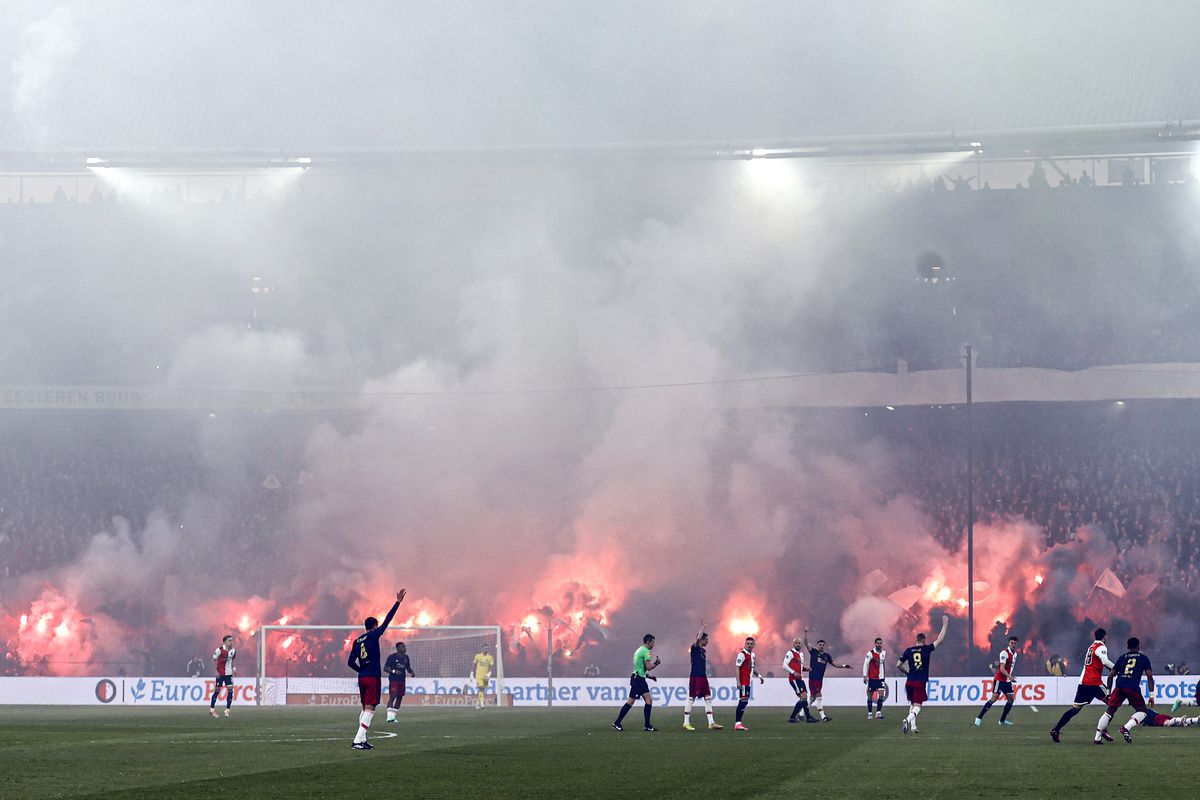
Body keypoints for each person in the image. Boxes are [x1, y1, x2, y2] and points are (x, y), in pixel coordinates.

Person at [346, 590, 406, 750]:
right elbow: (388, 620)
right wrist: (397, 603)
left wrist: (361, 669)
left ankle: (362, 739)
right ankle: (357, 740)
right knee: (370, 708)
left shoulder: (357, 641)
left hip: (362, 676)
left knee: (365, 707)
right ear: (374, 626)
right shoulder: (374, 635)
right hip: (372, 676)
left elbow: (350, 662)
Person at [1050, 627, 1115, 743]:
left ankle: (1056, 729)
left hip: (1083, 682)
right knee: (1113, 704)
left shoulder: (1091, 647)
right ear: (1104, 637)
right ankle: (1103, 730)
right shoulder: (1101, 647)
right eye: (1106, 636)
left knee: (1075, 709)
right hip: (1094, 683)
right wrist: (1116, 669)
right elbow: (1105, 661)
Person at [1096, 636, 1154, 744]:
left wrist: (1108, 693)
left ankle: (1097, 738)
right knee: (1142, 711)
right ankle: (1126, 728)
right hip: (1132, 687)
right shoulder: (1143, 658)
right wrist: (1151, 696)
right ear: (1138, 646)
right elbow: (1149, 677)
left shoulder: (1122, 657)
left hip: (1119, 685)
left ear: (1127, 646)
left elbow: (1110, 676)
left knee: (1110, 711)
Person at [897, 615, 949, 735]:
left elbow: (898, 664)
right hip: (920, 681)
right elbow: (940, 639)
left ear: (916, 640)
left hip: (909, 681)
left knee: (912, 703)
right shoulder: (926, 649)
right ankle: (907, 720)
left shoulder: (908, 650)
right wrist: (945, 625)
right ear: (924, 640)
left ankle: (913, 727)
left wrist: (907, 673)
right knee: (918, 706)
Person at [613, 634, 660, 732]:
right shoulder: (646, 651)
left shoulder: (639, 650)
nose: (653, 645)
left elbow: (639, 668)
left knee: (647, 700)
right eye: (652, 642)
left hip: (638, 678)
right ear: (648, 642)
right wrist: (656, 663)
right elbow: (648, 667)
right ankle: (617, 722)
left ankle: (647, 725)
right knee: (632, 701)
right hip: (638, 680)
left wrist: (649, 677)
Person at [804, 629, 853, 722]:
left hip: (820, 679)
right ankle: (823, 717)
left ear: (824, 646)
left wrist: (844, 666)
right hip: (813, 678)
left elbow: (834, 664)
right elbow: (806, 643)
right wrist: (805, 633)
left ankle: (802, 714)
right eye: (820, 645)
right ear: (817, 646)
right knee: (819, 696)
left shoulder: (827, 656)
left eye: (823, 645)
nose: (821, 646)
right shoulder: (813, 652)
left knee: (812, 697)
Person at [683, 620, 722, 731]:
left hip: (703, 677)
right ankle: (686, 722)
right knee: (691, 698)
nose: (708, 642)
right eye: (707, 640)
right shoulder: (695, 648)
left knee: (708, 698)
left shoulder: (703, 651)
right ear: (702, 640)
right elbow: (698, 638)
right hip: (696, 677)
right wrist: (704, 626)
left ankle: (711, 723)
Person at [976, 635, 1020, 726]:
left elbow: (1009, 668)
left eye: (1015, 643)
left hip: (1007, 681)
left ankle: (1002, 721)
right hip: (999, 680)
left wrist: (1010, 677)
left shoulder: (1015, 654)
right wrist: (1010, 676)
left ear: (1017, 644)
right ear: (1009, 643)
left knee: (1011, 700)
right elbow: (1001, 669)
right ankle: (979, 718)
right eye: (1012, 643)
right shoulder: (1004, 653)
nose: (1013, 645)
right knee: (994, 699)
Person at [734, 636, 765, 731]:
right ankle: (738, 723)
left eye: (751, 644)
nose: (749, 645)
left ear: (754, 645)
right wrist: (738, 682)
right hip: (743, 681)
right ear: (745, 644)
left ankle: (738, 723)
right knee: (743, 701)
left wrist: (759, 676)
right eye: (748, 643)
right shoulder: (741, 655)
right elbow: (737, 668)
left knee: (745, 701)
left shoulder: (752, 655)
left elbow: (753, 668)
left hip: (748, 681)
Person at [783, 636, 814, 723]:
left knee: (803, 698)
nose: (798, 644)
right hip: (794, 679)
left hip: (800, 679)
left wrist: (806, 669)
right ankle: (808, 717)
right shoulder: (790, 653)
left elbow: (799, 667)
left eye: (799, 643)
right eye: (796, 643)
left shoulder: (800, 654)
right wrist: (793, 672)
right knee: (804, 696)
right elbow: (784, 665)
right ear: (793, 644)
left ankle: (792, 717)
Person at [384, 642, 415, 723]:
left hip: (402, 680)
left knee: (399, 698)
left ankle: (393, 717)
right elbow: (385, 668)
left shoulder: (406, 657)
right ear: (398, 648)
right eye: (403, 647)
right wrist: (394, 671)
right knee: (392, 697)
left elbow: (407, 667)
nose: (405, 648)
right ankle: (389, 717)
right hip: (394, 680)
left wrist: (411, 672)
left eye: (405, 647)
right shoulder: (392, 657)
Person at [209, 635, 235, 718]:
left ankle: (227, 710)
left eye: (231, 640)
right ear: (224, 642)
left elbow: (231, 660)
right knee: (217, 692)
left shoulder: (233, 650)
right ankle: (212, 710)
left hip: (229, 674)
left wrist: (233, 670)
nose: (231, 642)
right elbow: (213, 659)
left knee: (230, 691)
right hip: (220, 674)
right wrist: (215, 671)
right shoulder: (219, 650)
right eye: (229, 641)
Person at [864, 637, 887, 719]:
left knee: (881, 695)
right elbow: (865, 664)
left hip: (881, 678)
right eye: (878, 643)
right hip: (872, 678)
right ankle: (870, 713)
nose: (879, 645)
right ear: (875, 644)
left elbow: (882, 665)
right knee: (870, 696)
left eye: (881, 643)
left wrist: (884, 675)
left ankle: (878, 713)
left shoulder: (884, 653)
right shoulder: (870, 653)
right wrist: (865, 675)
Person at [472, 644, 495, 709]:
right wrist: (471, 673)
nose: (486, 649)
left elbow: (491, 666)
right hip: (478, 675)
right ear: (482, 649)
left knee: (482, 690)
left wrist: (489, 673)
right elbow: (474, 664)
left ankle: (478, 703)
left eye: (487, 648)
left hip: (486, 676)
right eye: (484, 648)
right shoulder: (478, 656)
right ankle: (482, 703)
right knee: (480, 688)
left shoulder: (490, 657)